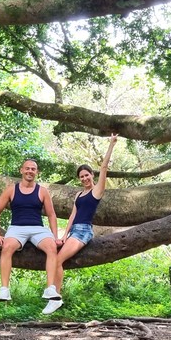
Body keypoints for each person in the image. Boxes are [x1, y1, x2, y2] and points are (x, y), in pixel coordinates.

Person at [43, 134, 118, 314]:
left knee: (58, 259)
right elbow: (72, 216)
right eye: (81, 176)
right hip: (74, 231)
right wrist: (63, 236)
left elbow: (104, 166)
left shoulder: (97, 191)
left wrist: (111, 144)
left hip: (84, 231)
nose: (84, 178)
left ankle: (55, 297)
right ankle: (54, 294)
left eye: (86, 175)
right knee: (54, 256)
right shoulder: (78, 195)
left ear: (92, 175)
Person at [0, 158, 61, 303]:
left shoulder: (42, 191)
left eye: (33, 169)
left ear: (37, 172)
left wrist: (55, 236)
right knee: (7, 247)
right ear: (21, 170)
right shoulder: (11, 189)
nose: (30, 171)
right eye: (27, 168)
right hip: (17, 228)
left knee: (52, 247)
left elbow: (51, 214)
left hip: (38, 229)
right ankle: (4, 290)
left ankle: (50, 288)